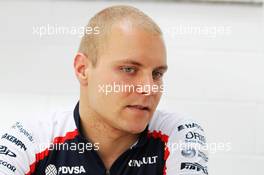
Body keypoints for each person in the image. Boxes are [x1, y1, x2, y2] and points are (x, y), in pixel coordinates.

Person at [0, 5, 208, 175]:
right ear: (83, 70)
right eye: (129, 69)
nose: (149, 88)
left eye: (157, 74)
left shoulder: (178, 134)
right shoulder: (30, 140)